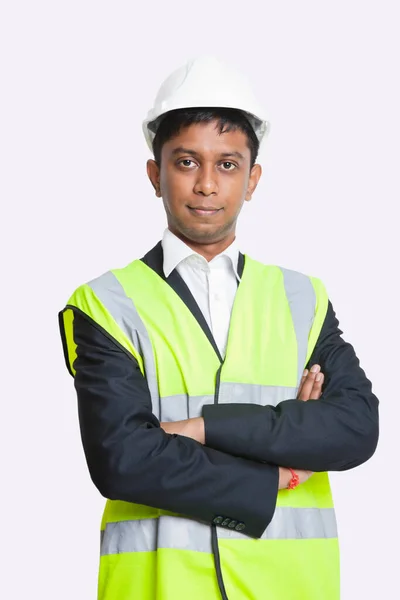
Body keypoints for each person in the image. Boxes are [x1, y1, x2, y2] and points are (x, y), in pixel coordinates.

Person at [58, 55, 379, 600]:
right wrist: (280, 470)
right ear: (154, 174)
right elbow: (123, 461)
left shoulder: (304, 298)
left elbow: (354, 429)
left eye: (227, 165)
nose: (207, 184)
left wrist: (202, 427)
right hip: (159, 589)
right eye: (186, 162)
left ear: (253, 179)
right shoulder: (104, 304)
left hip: (290, 589)